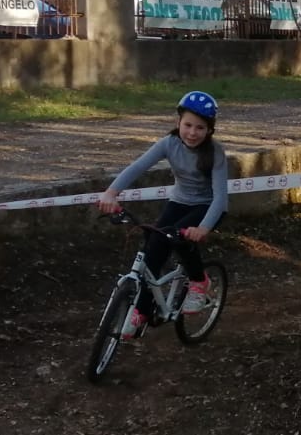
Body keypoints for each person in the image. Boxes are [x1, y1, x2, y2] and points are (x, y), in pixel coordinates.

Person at [97, 90, 228, 337]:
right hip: (178, 202)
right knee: (153, 250)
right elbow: (138, 166)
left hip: (207, 206)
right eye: (187, 125)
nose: (192, 133)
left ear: (210, 130)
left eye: (200, 128)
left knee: (180, 239)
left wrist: (203, 227)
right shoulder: (169, 143)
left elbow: (221, 197)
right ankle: (142, 310)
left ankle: (199, 281)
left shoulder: (215, 153)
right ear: (178, 122)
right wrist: (111, 192)